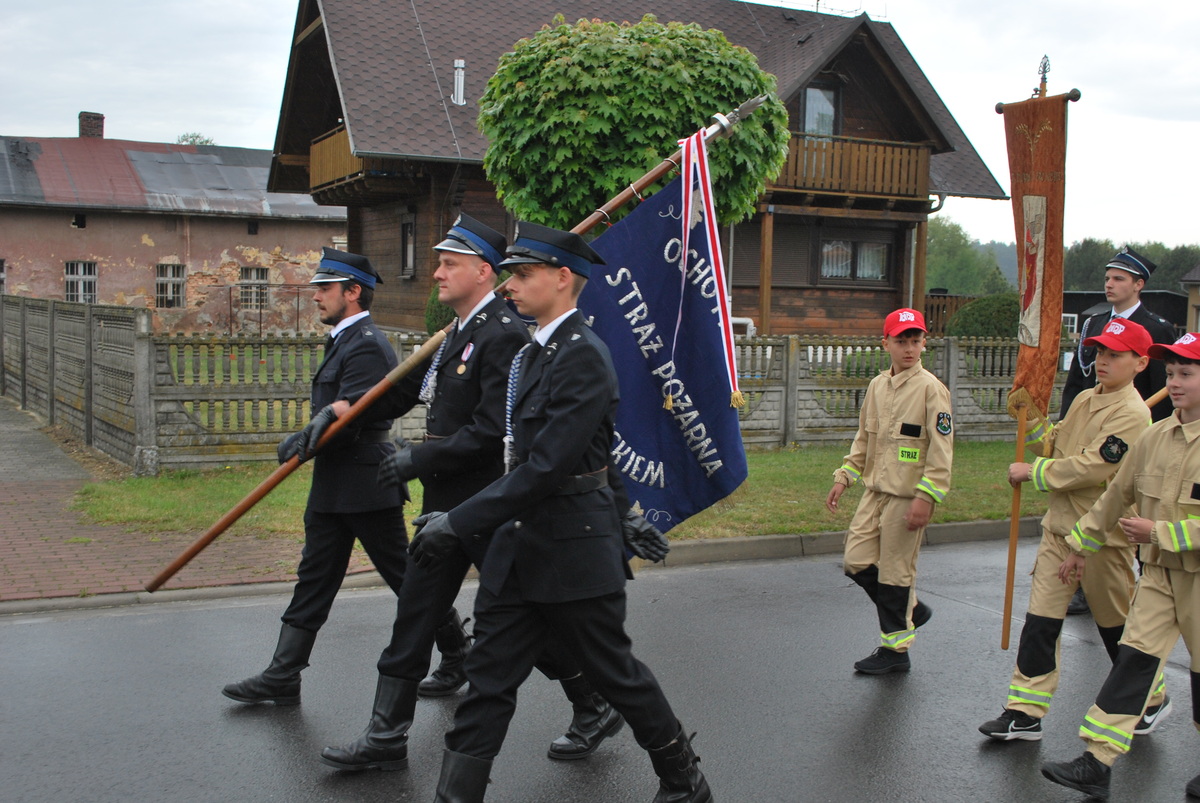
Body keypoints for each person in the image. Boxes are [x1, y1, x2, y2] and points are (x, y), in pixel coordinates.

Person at [319, 214, 655, 772]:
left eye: (449, 264)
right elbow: (407, 392)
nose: (436, 273)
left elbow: (495, 431)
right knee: (416, 615)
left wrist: (418, 458)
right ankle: (386, 734)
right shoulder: (460, 331)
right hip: (446, 506)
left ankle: (594, 703)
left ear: (482, 271)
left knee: (525, 625)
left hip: (489, 505)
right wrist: (340, 412)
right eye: (437, 263)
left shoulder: (502, 335)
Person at [414, 222, 709, 802]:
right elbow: (591, 452)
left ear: (562, 278)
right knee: (487, 681)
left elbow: (547, 467)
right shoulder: (535, 352)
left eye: (522, 275)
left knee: (614, 673)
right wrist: (625, 510)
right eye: (510, 275)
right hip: (517, 551)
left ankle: (684, 780)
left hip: (573, 554)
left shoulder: (583, 357)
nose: (509, 286)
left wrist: (458, 520)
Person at [222, 248, 409, 705]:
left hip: (366, 483)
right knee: (314, 578)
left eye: (325, 288)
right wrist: (309, 437)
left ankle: (457, 650)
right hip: (333, 483)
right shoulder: (344, 340)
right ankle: (283, 674)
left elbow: (350, 420)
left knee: (406, 578)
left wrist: (306, 440)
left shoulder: (367, 343)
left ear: (354, 291)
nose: (316, 297)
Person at [979, 318, 1169, 741]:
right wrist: (1029, 420)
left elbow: (1093, 466)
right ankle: (1025, 712)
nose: (1103, 360)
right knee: (1041, 621)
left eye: (1115, 355)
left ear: (1140, 363)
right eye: (1100, 352)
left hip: (1102, 538)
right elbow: (1054, 443)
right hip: (1059, 529)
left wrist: (1035, 472)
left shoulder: (1134, 413)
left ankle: (1151, 696)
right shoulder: (1084, 398)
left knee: (1117, 628)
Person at [1041, 332, 1200, 800]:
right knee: (1133, 660)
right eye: (1170, 373)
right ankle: (1097, 761)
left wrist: (1161, 533)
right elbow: (1113, 499)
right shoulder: (1154, 437)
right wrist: (1079, 546)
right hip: (1159, 575)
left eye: (1186, 374)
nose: (1174, 383)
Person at [825, 308, 953, 675]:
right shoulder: (877, 386)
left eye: (916, 340)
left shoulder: (931, 389)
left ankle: (896, 650)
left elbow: (942, 451)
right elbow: (864, 439)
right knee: (856, 560)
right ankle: (911, 609)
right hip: (875, 492)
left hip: (908, 495)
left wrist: (926, 498)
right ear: (886, 344)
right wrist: (844, 476)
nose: (909, 348)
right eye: (901, 341)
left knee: (896, 572)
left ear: (924, 343)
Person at [1060, 247, 1175, 616]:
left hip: (1133, 435)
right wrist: (1066, 429)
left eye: (1119, 279)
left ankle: (1140, 582)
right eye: (1107, 278)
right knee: (1087, 509)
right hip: (1089, 430)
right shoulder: (1094, 324)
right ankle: (1084, 582)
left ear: (1138, 285)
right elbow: (1079, 382)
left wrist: (1159, 443)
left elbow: (1164, 393)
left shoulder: (1157, 328)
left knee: (1127, 514)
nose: (1109, 284)